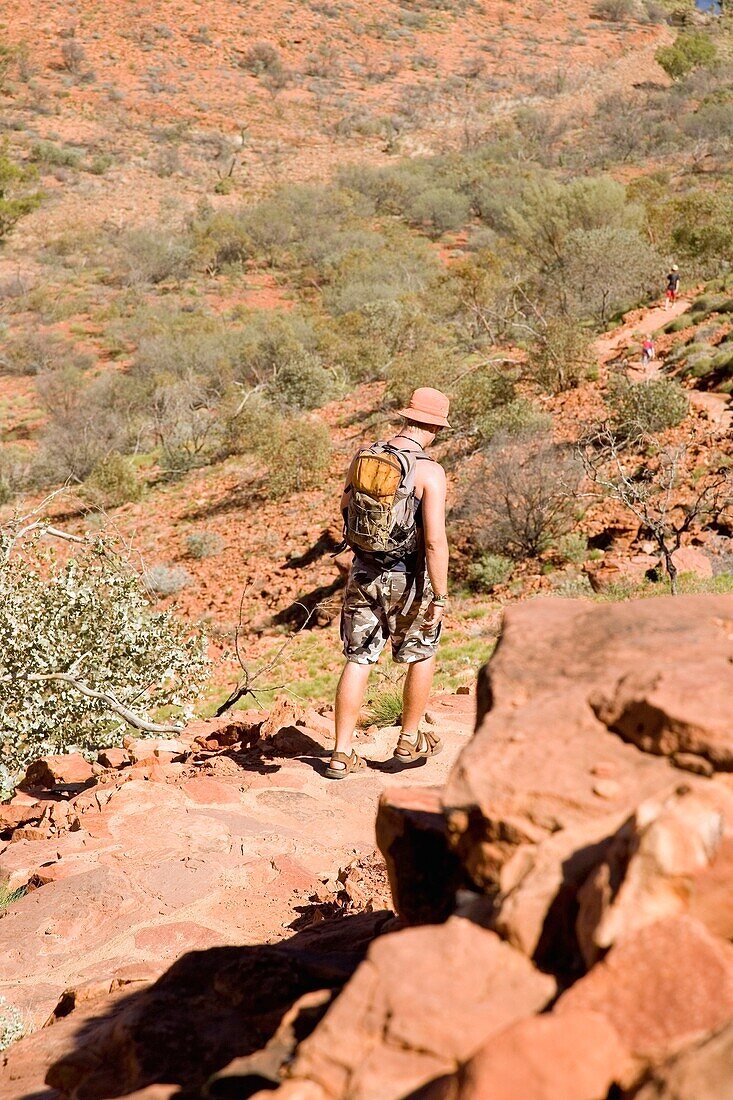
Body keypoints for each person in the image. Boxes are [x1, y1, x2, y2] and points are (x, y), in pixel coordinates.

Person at [327, 387, 450, 779]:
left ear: (407, 417)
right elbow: (433, 540)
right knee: (422, 651)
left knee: (358, 658)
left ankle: (341, 754)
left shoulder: (365, 455)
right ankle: (408, 740)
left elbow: (345, 508)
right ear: (433, 426)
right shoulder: (429, 471)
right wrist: (441, 596)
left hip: (363, 571)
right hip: (408, 577)